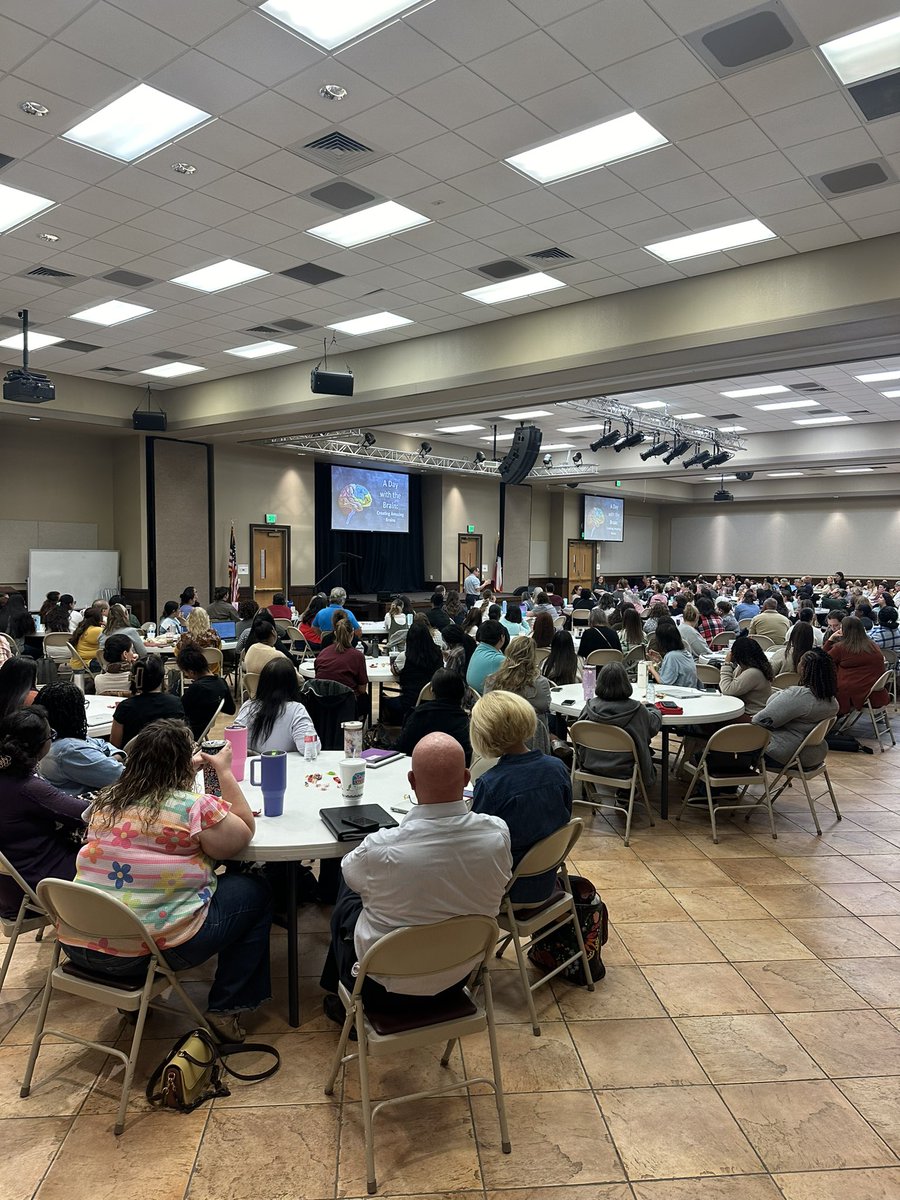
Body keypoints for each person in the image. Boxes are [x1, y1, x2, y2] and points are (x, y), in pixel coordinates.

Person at [61, 720, 271, 1041]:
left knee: (126, 893)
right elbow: (241, 833)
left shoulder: (106, 801)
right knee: (254, 890)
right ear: (184, 765)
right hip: (144, 955)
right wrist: (223, 772)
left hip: (78, 943)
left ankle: (133, 1006)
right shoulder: (193, 807)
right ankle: (227, 1007)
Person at [319, 733, 511, 1022]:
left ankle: (342, 994)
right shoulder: (497, 834)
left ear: (411, 781)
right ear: (466, 778)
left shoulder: (380, 849)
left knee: (350, 890)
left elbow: (349, 871)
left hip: (382, 988)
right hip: (458, 975)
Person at [471, 691, 571, 903]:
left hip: (508, 887)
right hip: (548, 875)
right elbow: (564, 818)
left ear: (484, 733)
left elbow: (476, 844)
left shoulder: (491, 784)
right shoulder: (558, 768)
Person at [0, 707, 86, 918]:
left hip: (10, 889)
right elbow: (84, 813)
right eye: (51, 735)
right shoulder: (28, 788)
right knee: (108, 855)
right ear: (40, 745)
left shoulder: (12, 778)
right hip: (38, 888)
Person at [577, 662, 662, 787]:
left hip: (590, 765)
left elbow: (578, 732)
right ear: (626, 682)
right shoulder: (637, 710)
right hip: (626, 769)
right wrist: (651, 707)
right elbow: (653, 726)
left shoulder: (590, 707)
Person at [753, 648, 839, 769]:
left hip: (784, 754)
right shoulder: (832, 700)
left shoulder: (799, 696)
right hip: (815, 754)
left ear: (803, 668)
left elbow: (759, 721)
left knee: (732, 742)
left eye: (800, 661)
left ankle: (734, 779)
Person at [35, 682, 125, 795]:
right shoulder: (70, 749)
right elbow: (124, 776)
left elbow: (99, 742)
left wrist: (113, 756)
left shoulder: (56, 736)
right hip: (88, 802)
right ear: (74, 711)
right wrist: (116, 757)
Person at [484, 635, 552, 752]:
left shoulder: (491, 680)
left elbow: (486, 709)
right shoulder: (540, 683)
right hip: (531, 742)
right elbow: (545, 706)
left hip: (498, 739)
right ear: (533, 657)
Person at [234, 656, 316, 752]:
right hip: (284, 761)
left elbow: (233, 742)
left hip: (251, 761)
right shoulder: (297, 710)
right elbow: (310, 749)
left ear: (261, 683)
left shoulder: (248, 707)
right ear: (293, 684)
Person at [395, 668, 472, 764]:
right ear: (461, 692)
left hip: (417, 767)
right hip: (454, 771)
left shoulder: (418, 715)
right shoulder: (466, 723)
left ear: (432, 691)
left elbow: (401, 747)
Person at [110, 656, 185, 748]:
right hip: (171, 755)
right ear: (162, 677)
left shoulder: (125, 707)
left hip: (135, 756)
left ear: (134, 678)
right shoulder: (175, 703)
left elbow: (114, 745)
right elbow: (181, 738)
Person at [825, 615, 890, 715]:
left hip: (854, 691)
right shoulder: (872, 645)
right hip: (873, 689)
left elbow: (823, 660)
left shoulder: (841, 648)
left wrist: (830, 639)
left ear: (845, 630)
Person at [386, 617, 444, 722]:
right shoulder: (438, 653)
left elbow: (394, 671)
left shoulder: (405, 656)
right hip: (433, 703)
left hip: (409, 703)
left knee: (385, 701)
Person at [314, 612, 369, 717]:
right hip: (346, 704)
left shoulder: (323, 653)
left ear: (335, 634)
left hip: (322, 703)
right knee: (365, 698)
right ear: (352, 634)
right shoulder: (357, 656)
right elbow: (362, 689)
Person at [177, 643, 236, 740]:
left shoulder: (196, 688)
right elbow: (231, 710)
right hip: (203, 730)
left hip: (188, 735)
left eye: (186, 673)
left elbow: (178, 710)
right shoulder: (221, 683)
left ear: (191, 672)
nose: (187, 676)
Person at [718, 637, 774, 715]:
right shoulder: (745, 667)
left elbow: (727, 690)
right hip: (743, 710)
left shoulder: (753, 673)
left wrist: (726, 664)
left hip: (751, 714)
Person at [648, 619, 698, 687]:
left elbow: (663, 682)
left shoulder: (672, 656)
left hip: (678, 691)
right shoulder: (685, 653)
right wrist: (661, 661)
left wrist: (651, 669)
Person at [466, 619, 507, 695]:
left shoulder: (479, 647)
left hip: (474, 695)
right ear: (502, 637)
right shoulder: (497, 659)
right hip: (487, 697)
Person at [68, 607, 104, 671]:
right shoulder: (96, 630)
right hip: (87, 663)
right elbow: (111, 634)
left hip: (79, 662)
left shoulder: (84, 627)